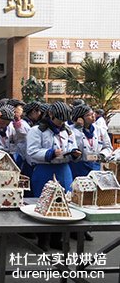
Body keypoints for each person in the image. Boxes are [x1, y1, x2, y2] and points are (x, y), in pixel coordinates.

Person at [27, 101, 82, 250]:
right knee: (44, 203)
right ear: (50, 115)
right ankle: (43, 238)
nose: (61, 123)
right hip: (45, 170)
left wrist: (75, 153)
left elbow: (72, 145)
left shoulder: (68, 130)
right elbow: (32, 152)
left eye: (64, 121)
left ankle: (58, 238)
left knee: (63, 203)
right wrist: (50, 153)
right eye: (58, 120)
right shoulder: (36, 130)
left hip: (64, 169)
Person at [70, 104, 113, 179]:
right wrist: (79, 128)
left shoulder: (100, 130)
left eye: (93, 113)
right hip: (78, 167)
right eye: (88, 115)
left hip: (95, 165)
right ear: (80, 118)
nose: (93, 116)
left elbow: (108, 147)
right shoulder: (71, 130)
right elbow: (73, 145)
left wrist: (102, 155)